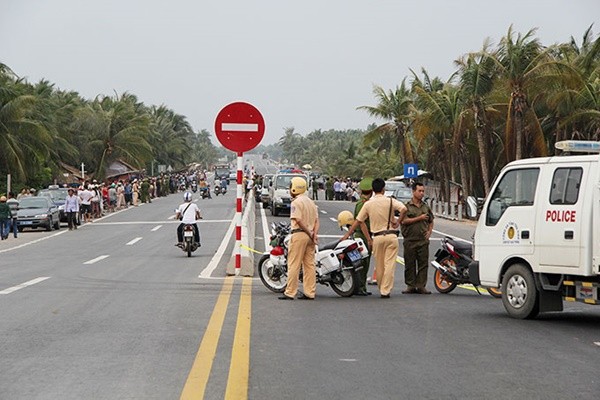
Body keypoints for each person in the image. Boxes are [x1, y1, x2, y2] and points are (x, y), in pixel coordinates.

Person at [344, 178, 407, 298]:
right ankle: (385, 289)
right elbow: (404, 209)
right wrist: (398, 221)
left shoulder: (368, 204)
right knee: (389, 264)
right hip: (391, 235)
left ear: (373, 190)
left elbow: (358, 220)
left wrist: (347, 234)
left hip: (377, 237)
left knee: (379, 264)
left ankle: (381, 286)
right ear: (383, 189)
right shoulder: (390, 201)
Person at [279, 177, 319, 300]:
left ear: (294, 188)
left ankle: (290, 292)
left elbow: (298, 220)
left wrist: (308, 232)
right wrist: (314, 234)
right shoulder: (311, 202)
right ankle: (310, 292)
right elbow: (317, 221)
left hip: (299, 234)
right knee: (309, 265)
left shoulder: (296, 203)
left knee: (294, 264)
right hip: (310, 236)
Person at [340, 178, 373, 296]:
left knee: (365, 262)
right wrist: (369, 239)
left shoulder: (364, 203)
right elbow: (361, 222)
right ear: (371, 191)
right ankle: (359, 288)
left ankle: (362, 287)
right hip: (362, 236)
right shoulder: (362, 204)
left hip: (363, 235)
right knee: (362, 263)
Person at [400, 181, 434, 294]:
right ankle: (410, 285)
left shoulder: (425, 207)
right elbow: (403, 221)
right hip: (410, 240)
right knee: (409, 263)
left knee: (423, 264)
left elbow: (431, 220)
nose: (421, 193)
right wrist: (418, 218)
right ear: (413, 191)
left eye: (423, 191)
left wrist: (429, 232)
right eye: (419, 191)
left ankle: (421, 286)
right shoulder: (406, 207)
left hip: (422, 240)